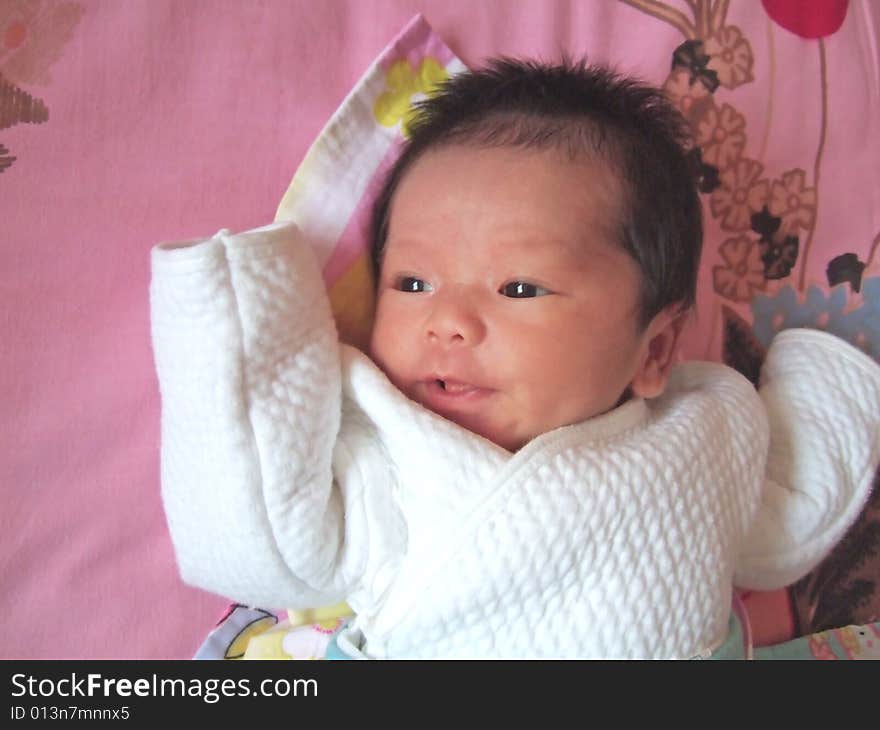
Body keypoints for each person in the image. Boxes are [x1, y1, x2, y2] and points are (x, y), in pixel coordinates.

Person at [150, 59, 880, 658]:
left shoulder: (706, 429)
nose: (448, 321)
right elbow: (251, 540)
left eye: (519, 287)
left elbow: (788, 516)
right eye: (412, 282)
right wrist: (236, 317)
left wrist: (828, 384)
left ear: (655, 348)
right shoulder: (387, 449)